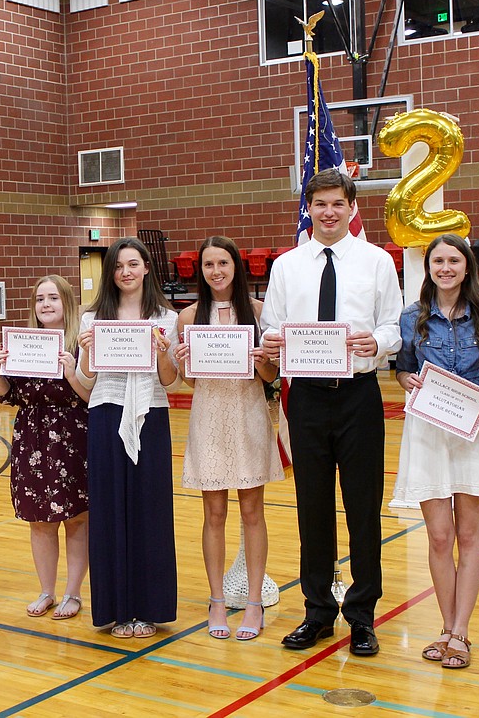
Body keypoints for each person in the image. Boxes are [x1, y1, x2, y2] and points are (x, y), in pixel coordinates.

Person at [260, 169, 402, 655]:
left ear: (351, 207)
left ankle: (362, 615)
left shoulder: (378, 262)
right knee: (312, 508)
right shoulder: (286, 266)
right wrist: (273, 343)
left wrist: (378, 341)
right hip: (307, 400)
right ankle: (317, 611)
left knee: (363, 509)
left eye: (337, 204)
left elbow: (394, 326)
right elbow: (270, 330)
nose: (328, 212)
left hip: (358, 394)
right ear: (309, 207)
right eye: (319, 204)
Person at [394, 234, 479, 669]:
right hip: (427, 430)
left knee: (468, 534)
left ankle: (461, 632)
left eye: (453, 260)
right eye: (438, 260)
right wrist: (409, 383)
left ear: (467, 266)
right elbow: (403, 371)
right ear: (429, 267)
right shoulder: (411, 317)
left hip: (473, 430)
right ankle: (445, 627)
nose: (445, 267)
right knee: (439, 535)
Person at [175, 236, 284, 641]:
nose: (216, 271)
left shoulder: (257, 312)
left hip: (248, 413)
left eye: (223, 263)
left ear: (236, 266)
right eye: (208, 265)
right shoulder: (187, 318)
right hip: (208, 417)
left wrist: (263, 361)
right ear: (200, 271)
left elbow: (271, 379)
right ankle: (217, 599)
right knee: (214, 514)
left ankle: (253, 600)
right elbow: (189, 382)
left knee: (253, 511)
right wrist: (184, 363)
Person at [77, 237, 179, 639]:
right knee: (110, 511)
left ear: (147, 268)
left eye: (133, 264)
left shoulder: (165, 318)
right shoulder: (92, 319)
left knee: (150, 510)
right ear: (111, 273)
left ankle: (149, 609)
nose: (126, 272)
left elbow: (169, 381)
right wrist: (86, 351)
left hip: (151, 416)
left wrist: (159, 353)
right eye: (119, 266)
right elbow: (86, 382)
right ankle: (118, 609)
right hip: (105, 414)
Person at [0, 275, 90, 620]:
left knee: (76, 520)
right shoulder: (23, 343)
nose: (45, 305)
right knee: (39, 521)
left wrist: (73, 372)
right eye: (39, 299)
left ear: (67, 303)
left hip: (74, 438)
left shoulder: (80, 345)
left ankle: (72, 593)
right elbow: (4, 394)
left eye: (53, 298)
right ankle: (47, 590)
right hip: (32, 438)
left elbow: (92, 397)